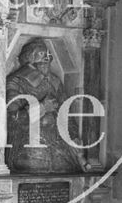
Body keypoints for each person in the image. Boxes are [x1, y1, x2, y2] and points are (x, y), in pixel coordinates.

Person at [6, 38, 90, 174]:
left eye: (47, 58)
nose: (46, 61)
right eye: (41, 57)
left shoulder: (55, 82)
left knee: (67, 168)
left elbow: (65, 115)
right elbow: (11, 120)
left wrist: (74, 138)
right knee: (35, 165)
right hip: (27, 143)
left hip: (56, 143)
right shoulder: (16, 82)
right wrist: (42, 108)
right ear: (30, 61)